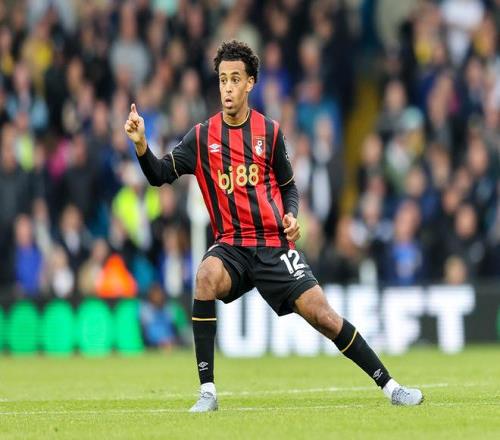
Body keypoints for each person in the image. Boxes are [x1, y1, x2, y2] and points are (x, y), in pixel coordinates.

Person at [125, 40, 424, 412]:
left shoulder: (269, 132)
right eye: (222, 79)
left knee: (325, 317)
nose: (227, 87)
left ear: (250, 83)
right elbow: (158, 174)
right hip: (232, 246)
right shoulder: (201, 137)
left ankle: (391, 387)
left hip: (273, 245)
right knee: (205, 276)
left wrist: (292, 215)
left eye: (235, 79)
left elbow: (289, 187)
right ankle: (207, 393)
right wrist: (141, 145)